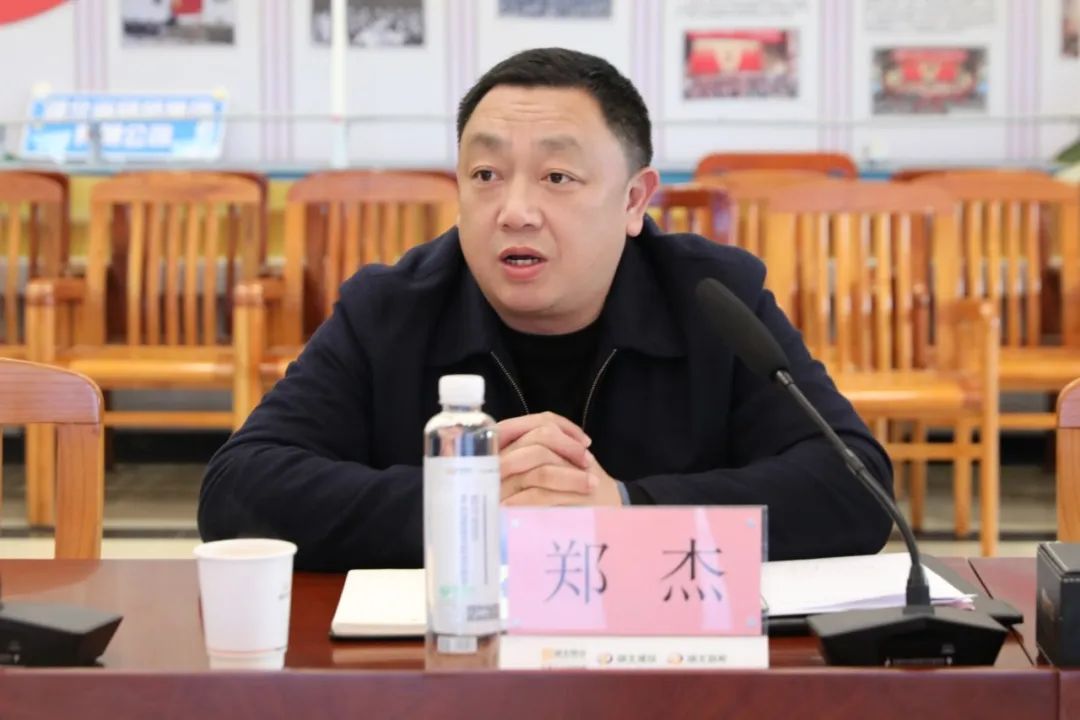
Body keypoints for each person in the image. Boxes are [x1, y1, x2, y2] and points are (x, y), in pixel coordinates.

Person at [198, 47, 893, 571]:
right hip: (448, 673)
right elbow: (237, 491)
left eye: (557, 177)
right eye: (485, 175)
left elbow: (855, 487)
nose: (515, 211)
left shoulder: (713, 299)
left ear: (633, 201)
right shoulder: (390, 308)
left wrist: (625, 510)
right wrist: (467, 506)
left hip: (667, 672)